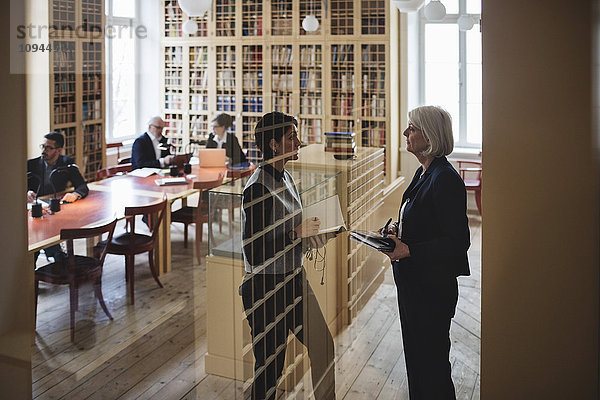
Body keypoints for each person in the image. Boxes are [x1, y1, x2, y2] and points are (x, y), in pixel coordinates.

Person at [240, 111, 336, 400]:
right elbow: (254, 252)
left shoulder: (287, 177)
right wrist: (296, 234)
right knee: (270, 369)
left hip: (294, 280)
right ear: (273, 144)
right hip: (265, 290)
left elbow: (289, 231)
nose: (299, 141)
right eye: (292, 137)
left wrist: (311, 237)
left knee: (323, 347)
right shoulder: (257, 187)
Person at [381, 106, 470, 400]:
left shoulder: (444, 178)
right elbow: (422, 220)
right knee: (419, 365)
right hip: (415, 286)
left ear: (429, 135)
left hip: (430, 290)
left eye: (412, 128)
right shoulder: (425, 172)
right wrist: (398, 229)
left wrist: (409, 250)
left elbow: (458, 242)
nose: (406, 133)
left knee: (431, 369)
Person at [27, 131, 89, 261]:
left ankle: (57, 258)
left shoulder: (67, 164)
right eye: (43, 146)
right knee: (35, 242)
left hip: (55, 209)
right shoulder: (31, 165)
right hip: (35, 209)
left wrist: (75, 194)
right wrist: (26, 192)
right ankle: (53, 258)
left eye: (48, 148)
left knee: (47, 234)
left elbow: (82, 186)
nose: (44, 150)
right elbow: (15, 186)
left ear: (58, 150)